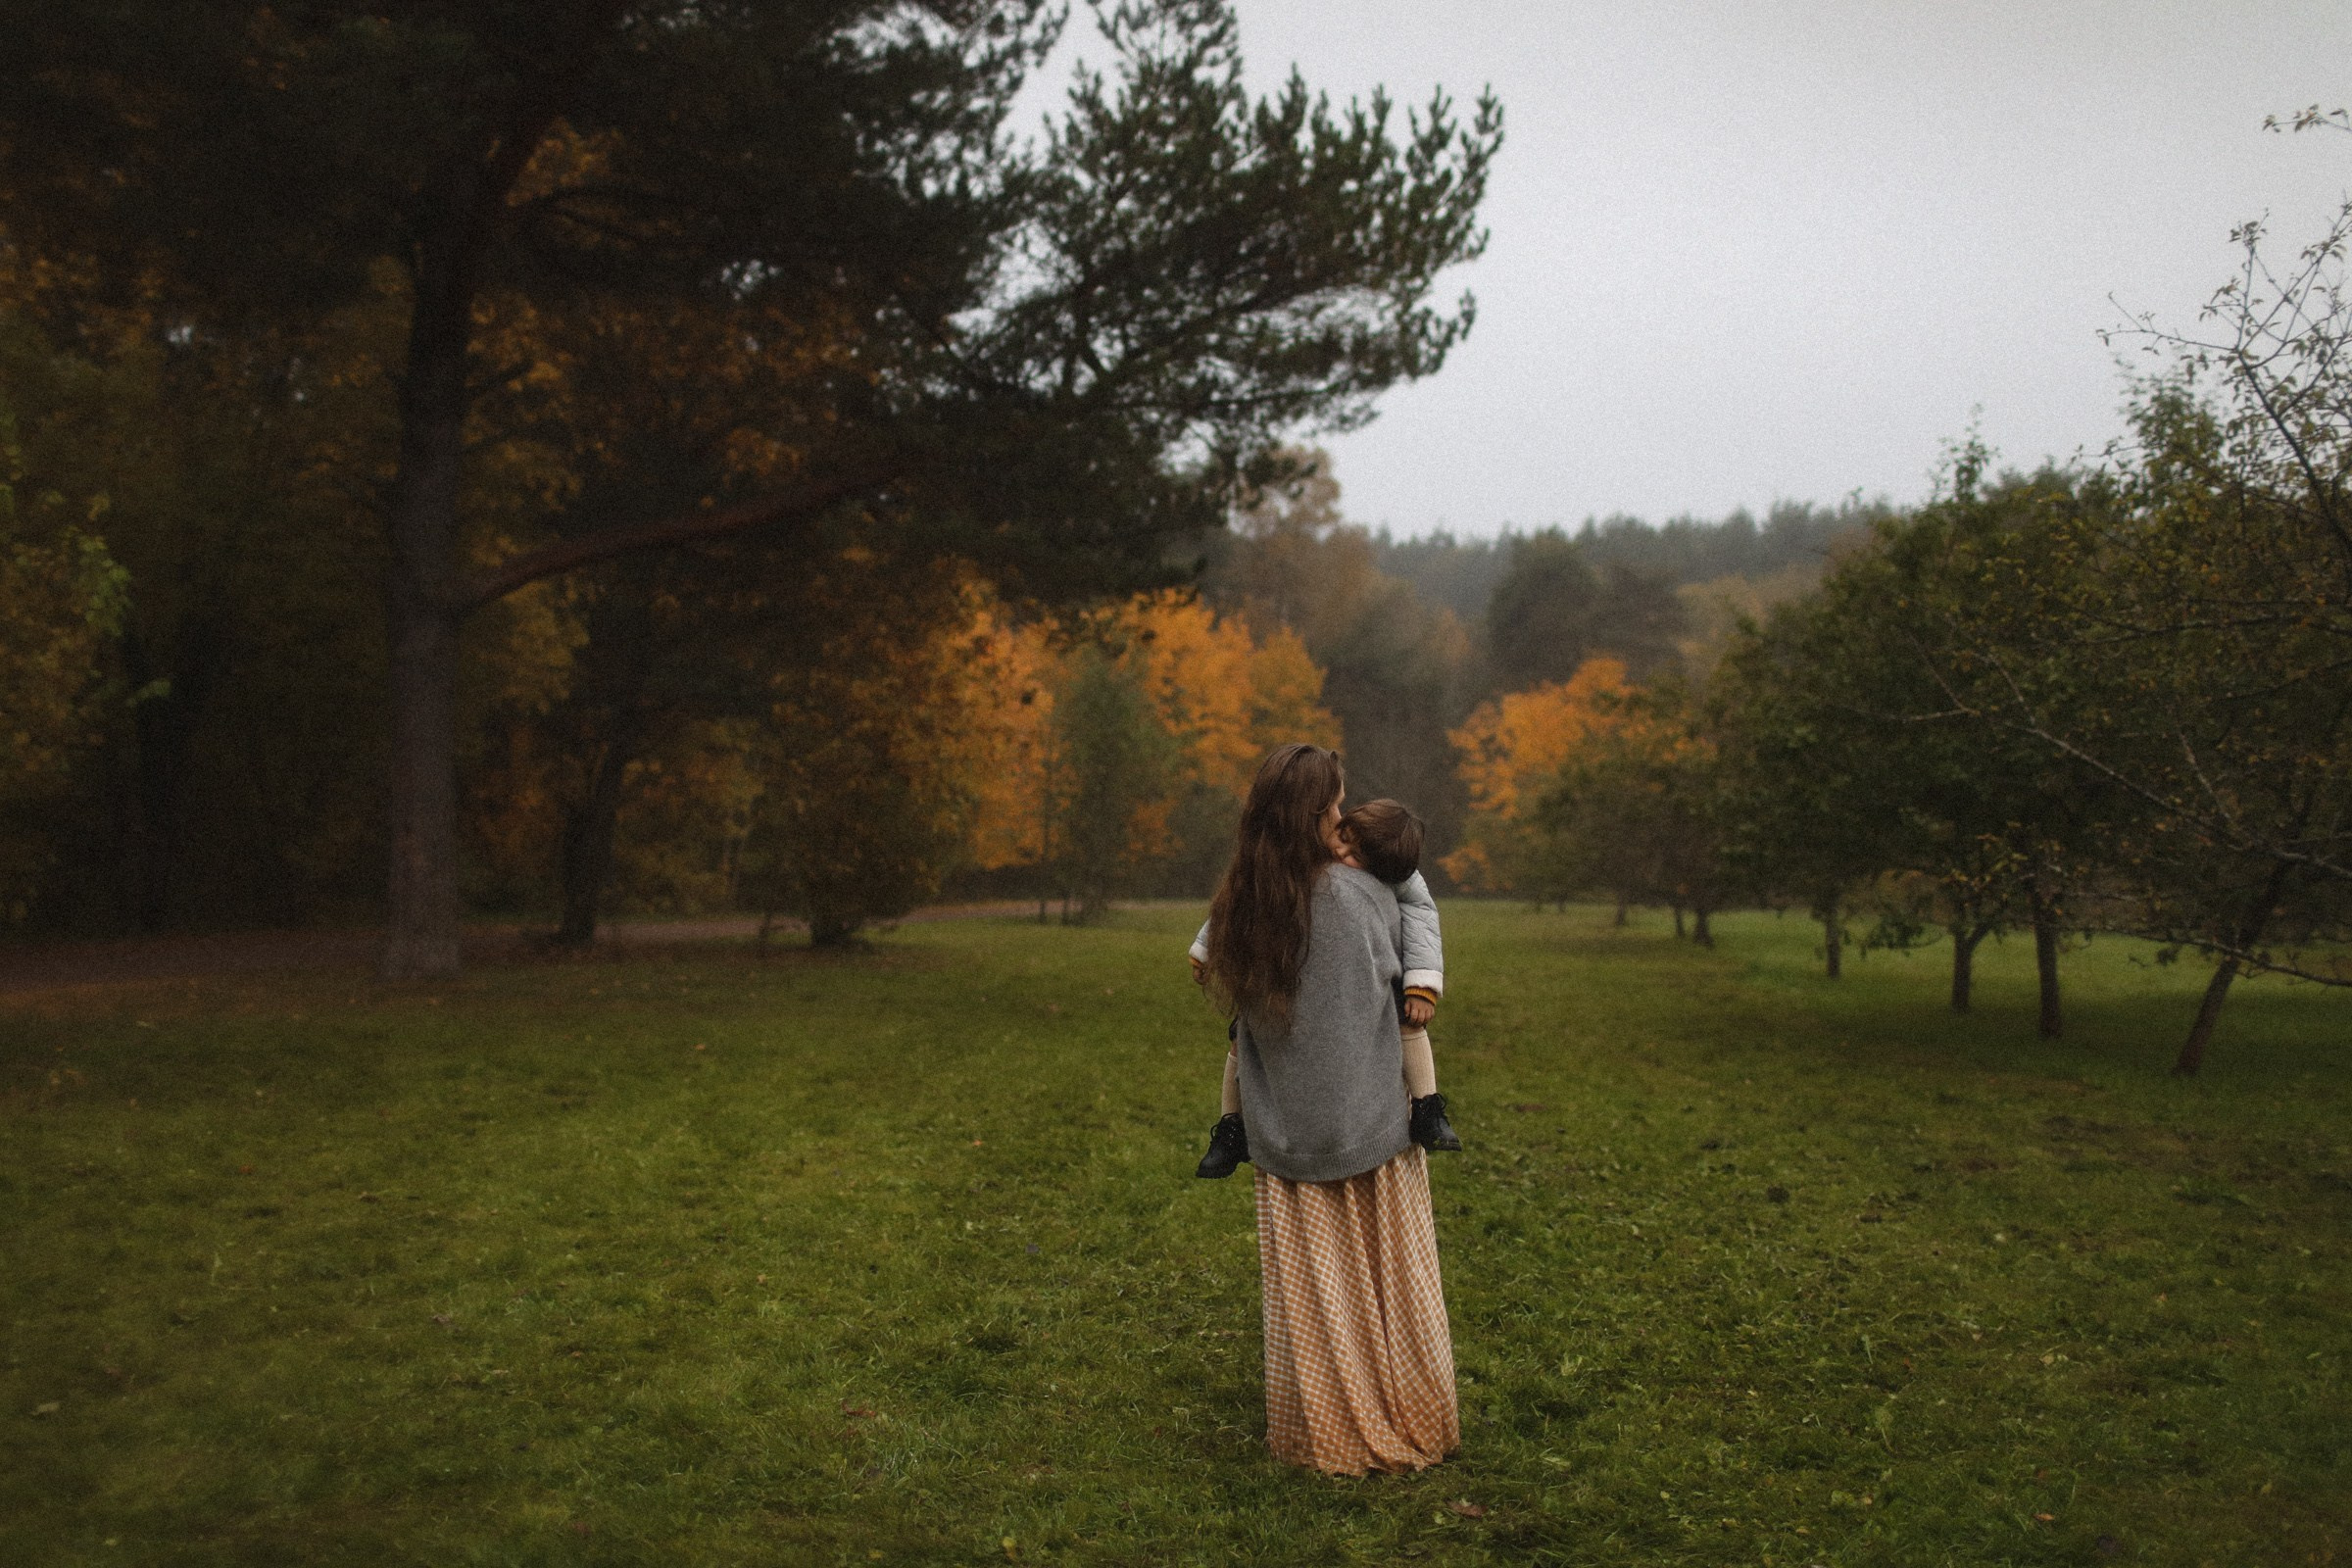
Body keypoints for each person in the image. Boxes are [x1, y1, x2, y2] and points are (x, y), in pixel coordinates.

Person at [1197, 742, 1459, 1475]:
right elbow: (1407, 967)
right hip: (1373, 1125)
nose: (1346, 818)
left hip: (1283, 1130)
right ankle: (1402, 1407)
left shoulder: (1244, 909)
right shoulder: (1364, 896)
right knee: (1385, 1280)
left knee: (1315, 1294)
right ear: (1315, 816)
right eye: (1337, 807)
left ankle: (1319, 1423)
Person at [1190, 797, 1460, 1176]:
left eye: (1356, 857)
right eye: (1345, 835)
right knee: (1243, 1037)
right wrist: (1207, 948)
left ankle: (1428, 1106)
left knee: (1409, 1021)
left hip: (1373, 975)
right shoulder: (1305, 851)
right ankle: (1231, 1128)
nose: (1341, 850)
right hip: (1275, 973)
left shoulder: (1398, 872)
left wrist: (1423, 984)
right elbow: (1243, 897)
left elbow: (1422, 918)